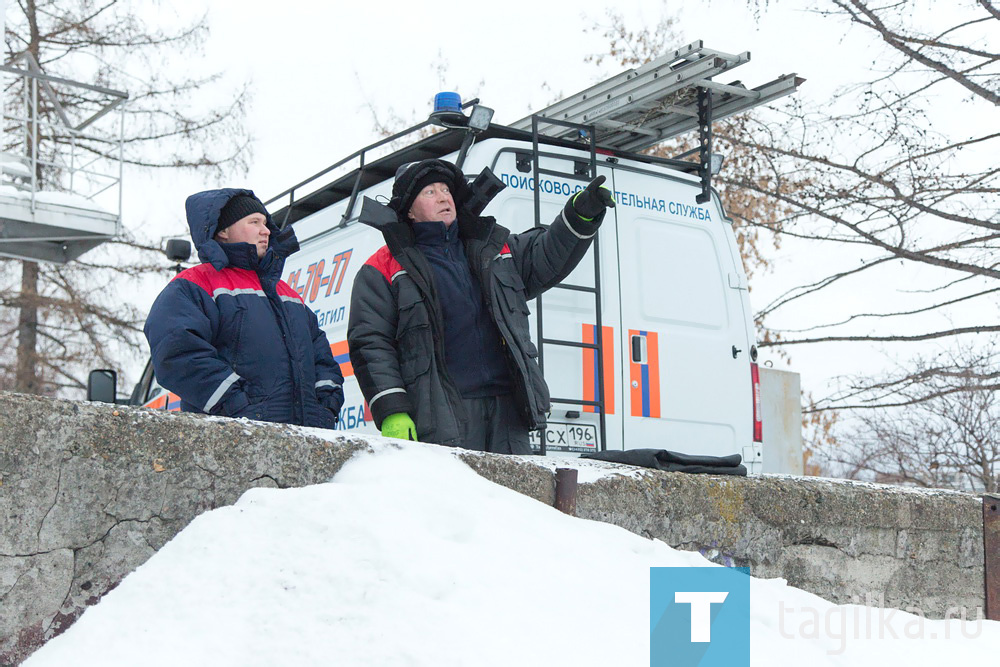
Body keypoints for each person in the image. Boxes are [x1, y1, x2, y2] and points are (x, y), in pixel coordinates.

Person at [347, 159, 614, 453]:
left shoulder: (493, 248)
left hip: (509, 413)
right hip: (443, 416)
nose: (443, 197)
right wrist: (391, 406)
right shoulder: (382, 268)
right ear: (409, 211)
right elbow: (371, 343)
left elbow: (545, 255)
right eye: (430, 192)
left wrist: (579, 215)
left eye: (446, 189)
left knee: (514, 498)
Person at [144, 188, 344, 428]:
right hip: (231, 445)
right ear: (223, 231)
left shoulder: (287, 294)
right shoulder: (194, 285)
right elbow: (177, 354)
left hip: (306, 441)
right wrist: (237, 406)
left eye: (265, 222)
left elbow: (323, 359)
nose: (266, 230)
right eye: (254, 222)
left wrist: (324, 408)